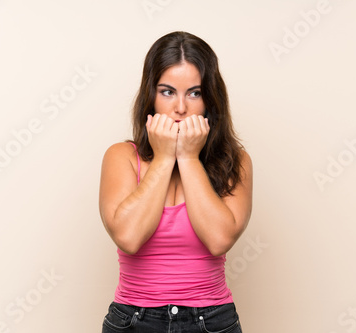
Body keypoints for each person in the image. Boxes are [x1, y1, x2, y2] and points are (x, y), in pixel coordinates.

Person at [99, 31, 252, 333]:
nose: (181, 107)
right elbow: (128, 238)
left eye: (194, 93)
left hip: (211, 321)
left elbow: (219, 240)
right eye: (167, 91)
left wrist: (189, 158)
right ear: (151, 97)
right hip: (133, 320)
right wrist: (166, 156)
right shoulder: (122, 157)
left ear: (210, 100)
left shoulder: (235, 160)